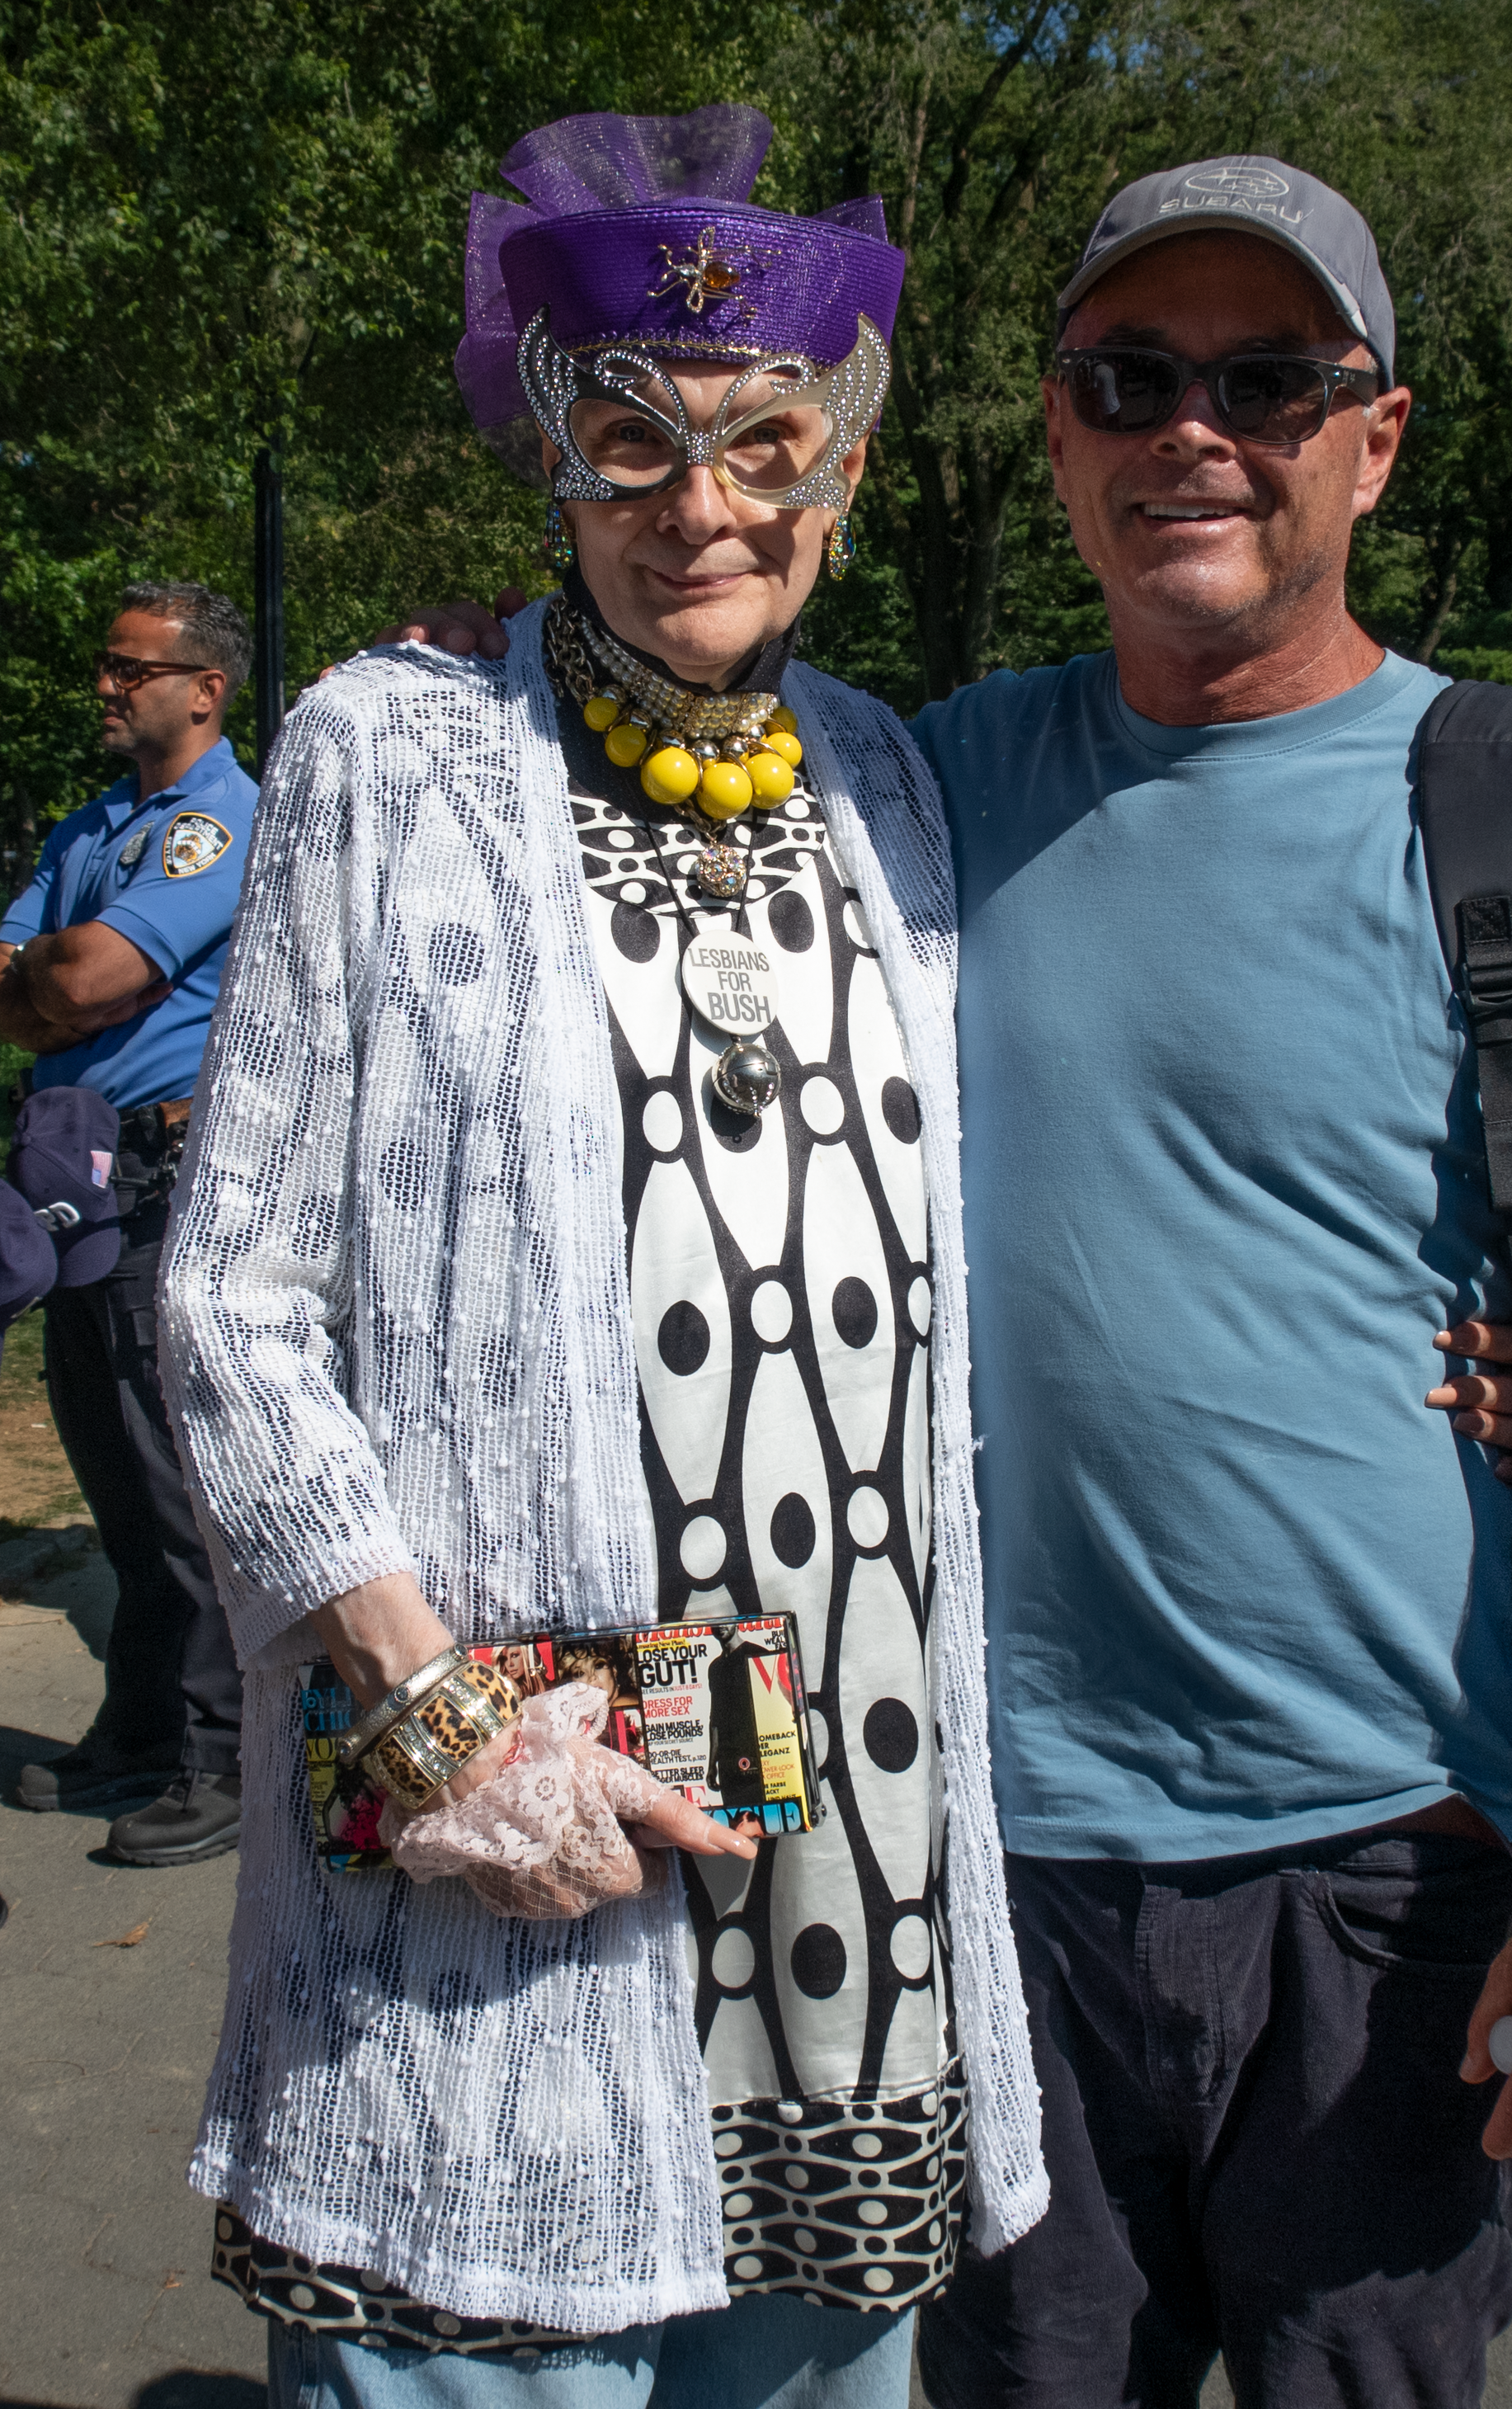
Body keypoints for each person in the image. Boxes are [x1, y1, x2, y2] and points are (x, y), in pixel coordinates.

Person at [391, 153, 1512, 2409]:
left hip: (1373, 1869)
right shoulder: (923, 779)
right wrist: (454, 707)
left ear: (1370, 438)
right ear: (1054, 430)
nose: (1189, 428)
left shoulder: (1509, 796)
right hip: (965, 1858)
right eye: (1130, 377)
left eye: (1266, 379)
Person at [156, 107, 1053, 2409]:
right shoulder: (384, 751)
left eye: (766, 446)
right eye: (631, 447)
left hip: (851, 1876)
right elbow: (231, 1304)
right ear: (547, 466)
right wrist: (432, 1717)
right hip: (506, 1837)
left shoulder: (884, 774)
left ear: (842, 475)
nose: (701, 510)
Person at [2, 582, 252, 1864]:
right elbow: (26, 991)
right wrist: (54, 986)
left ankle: (226, 1751)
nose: (106, 685)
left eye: (130, 668)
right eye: (106, 665)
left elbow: (88, 977)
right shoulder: (91, 825)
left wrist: (55, 982)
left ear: (203, 690)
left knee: (179, 1477)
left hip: (166, 1183)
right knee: (108, 1463)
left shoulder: (222, 822)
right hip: (76, 1183)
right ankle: (147, 1721)